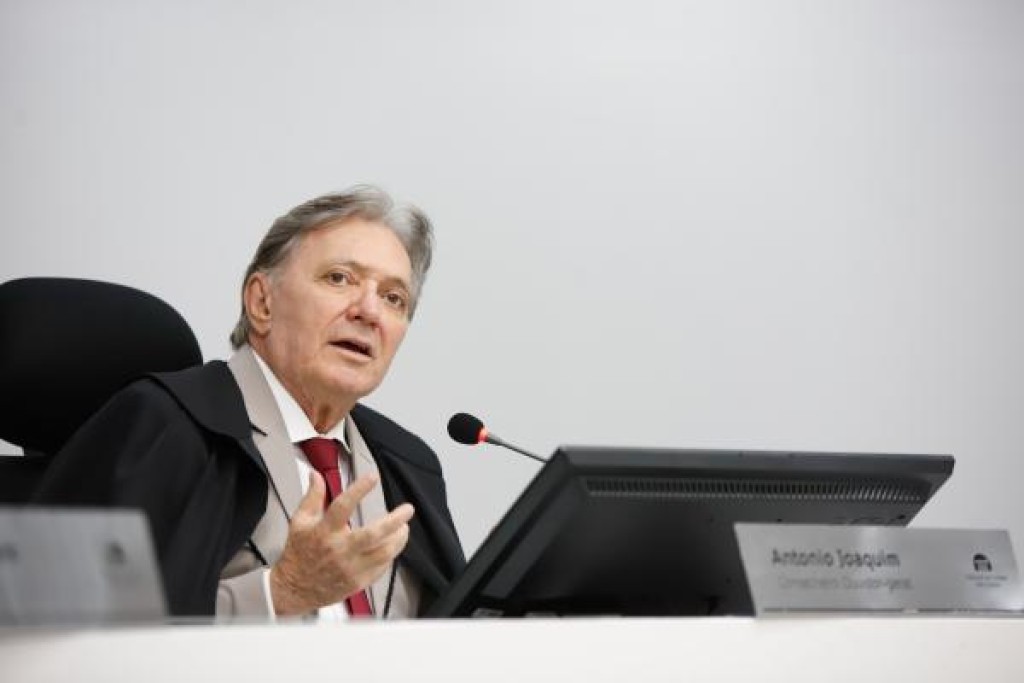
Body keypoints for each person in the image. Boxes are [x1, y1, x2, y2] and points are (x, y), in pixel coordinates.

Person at [33, 185, 466, 619]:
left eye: (393, 298)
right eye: (339, 278)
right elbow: (58, 618)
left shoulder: (408, 466)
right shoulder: (165, 426)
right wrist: (280, 593)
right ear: (262, 302)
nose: (369, 311)